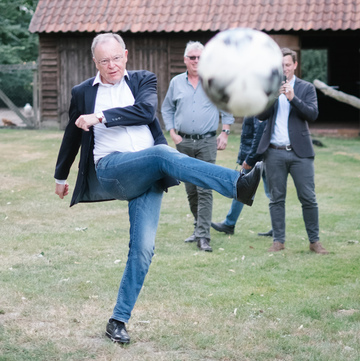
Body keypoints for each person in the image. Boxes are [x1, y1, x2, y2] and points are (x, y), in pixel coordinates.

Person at [54, 33, 263, 344]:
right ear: (94, 61)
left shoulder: (142, 80)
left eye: (116, 58)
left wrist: (99, 117)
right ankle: (237, 186)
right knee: (164, 154)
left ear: (125, 55)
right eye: (103, 60)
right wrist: (60, 176)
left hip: (149, 172)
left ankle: (117, 320)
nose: (111, 65)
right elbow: (73, 135)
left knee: (143, 250)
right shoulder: (83, 92)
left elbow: (144, 112)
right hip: (113, 168)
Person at [161, 41, 234, 253]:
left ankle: (203, 236)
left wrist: (225, 132)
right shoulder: (176, 83)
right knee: (191, 190)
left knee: (205, 188)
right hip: (183, 142)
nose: (196, 61)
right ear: (185, 60)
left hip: (207, 142)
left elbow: (227, 107)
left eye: (200, 58)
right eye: (192, 57)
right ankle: (198, 227)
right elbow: (167, 108)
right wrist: (172, 132)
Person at [257, 47, 328, 254]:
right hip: (274, 152)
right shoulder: (269, 87)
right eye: (280, 66)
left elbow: (312, 114)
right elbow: (260, 116)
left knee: (308, 197)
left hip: (300, 154)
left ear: (295, 65)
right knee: (276, 198)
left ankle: (314, 241)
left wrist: (292, 98)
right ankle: (278, 241)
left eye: (287, 65)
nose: (284, 69)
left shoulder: (306, 88)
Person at [211, 116, 272, 236]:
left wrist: (249, 160)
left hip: (257, 157)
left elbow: (259, 135)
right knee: (269, 192)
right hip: (259, 155)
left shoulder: (258, 104)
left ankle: (229, 224)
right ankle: (278, 228)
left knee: (244, 188)